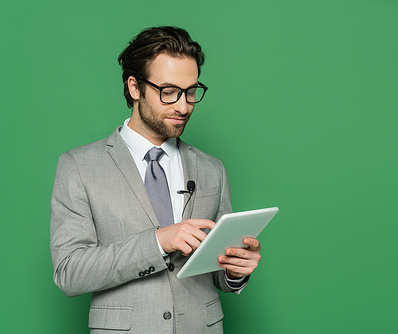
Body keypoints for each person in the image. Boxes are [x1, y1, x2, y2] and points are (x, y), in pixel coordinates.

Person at [50, 26, 262, 334]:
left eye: (191, 92)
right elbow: (70, 272)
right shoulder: (79, 166)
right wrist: (159, 241)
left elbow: (216, 272)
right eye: (169, 91)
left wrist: (234, 271)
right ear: (135, 87)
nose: (183, 106)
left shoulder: (212, 169)